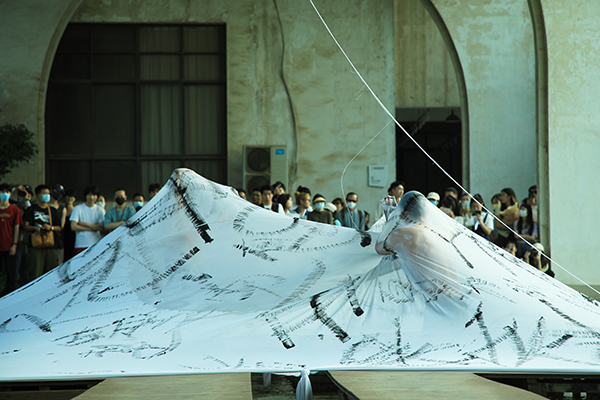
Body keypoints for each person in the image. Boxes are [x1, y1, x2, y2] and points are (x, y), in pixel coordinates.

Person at [22, 185, 62, 281]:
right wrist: (35, 228)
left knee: (52, 273)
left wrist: (50, 227)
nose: (47, 195)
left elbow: (59, 227)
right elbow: (25, 226)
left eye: (48, 193)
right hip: (35, 245)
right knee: (35, 273)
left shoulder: (53, 210)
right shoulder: (31, 210)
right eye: (44, 193)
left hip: (51, 245)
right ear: (38, 195)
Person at [0, 183, 23, 295]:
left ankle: (11, 296)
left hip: (10, 247)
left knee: (12, 276)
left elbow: (17, 228)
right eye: (2, 192)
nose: (4, 194)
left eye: (7, 192)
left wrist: (15, 244)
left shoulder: (15, 210)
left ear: (10, 194)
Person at [70, 185, 105, 256]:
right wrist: (93, 228)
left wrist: (86, 224)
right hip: (81, 244)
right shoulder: (78, 208)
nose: (91, 197)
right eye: (89, 195)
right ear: (85, 196)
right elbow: (73, 227)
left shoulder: (100, 210)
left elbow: (102, 227)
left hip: (95, 243)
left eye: (94, 195)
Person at [48, 184, 67, 263]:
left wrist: (51, 227)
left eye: (61, 193)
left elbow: (61, 227)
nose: (58, 194)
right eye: (57, 191)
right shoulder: (46, 206)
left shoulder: (62, 209)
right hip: (43, 241)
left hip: (58, 241)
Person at [63, 189, 77, 261]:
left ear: (74, 199)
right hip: (62, 237)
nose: (69, 198)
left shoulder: (76, 211)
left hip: (73, 238)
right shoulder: (61, 210)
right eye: (68, 196)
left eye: (72, 197)